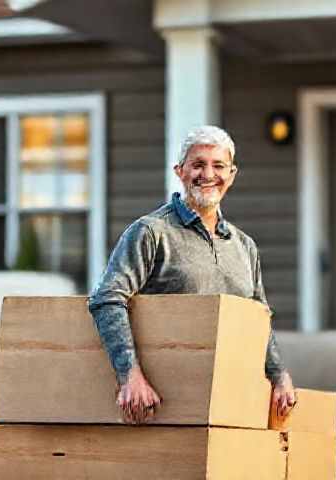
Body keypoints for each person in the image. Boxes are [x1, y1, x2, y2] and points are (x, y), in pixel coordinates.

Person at [87, 125, 296, 425]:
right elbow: (107, 299)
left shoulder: (244, 246)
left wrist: (278, 375)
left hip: (232, 401)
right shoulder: (151, 232)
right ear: (180, 171)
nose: (208, 174)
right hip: (164, 404)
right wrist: (130, 376)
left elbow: (259, 318)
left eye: (218, 165)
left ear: (232, 175)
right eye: (197, 164)